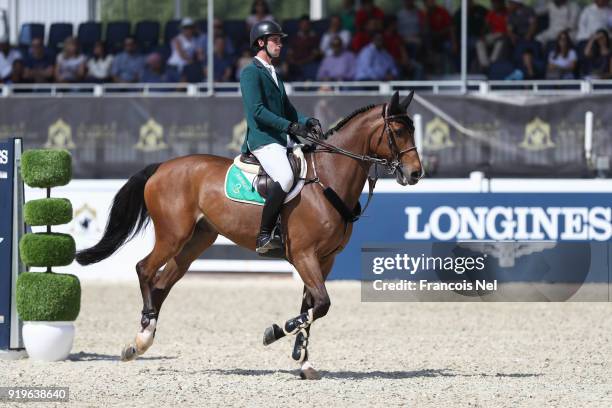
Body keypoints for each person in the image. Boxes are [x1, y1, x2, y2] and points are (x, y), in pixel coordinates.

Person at [240, 20, 320, 253]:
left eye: (280, 40)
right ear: (261, 42)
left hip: (282, 139)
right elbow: (257, 111)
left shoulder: (274, 72)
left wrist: (306, 121)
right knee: (285, 176)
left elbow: (288, 108)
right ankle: (264, 235)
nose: (280, 44)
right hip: (263, 140)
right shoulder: (250, 72)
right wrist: (290, 127)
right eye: (275, 40)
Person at [286, 15, 321, 81]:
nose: (305, 26)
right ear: (299, 25)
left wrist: (302, 62)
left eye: (306, 24)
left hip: (308, 65)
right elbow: (289, 53)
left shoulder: (314, 38)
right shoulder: (294, 38)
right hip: (295, 64)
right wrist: (292, 61)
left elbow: (314, 55)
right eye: (303, 24)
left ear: (310, 25)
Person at [477, 0, 508, 70]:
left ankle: (492, 63)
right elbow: (485, 26)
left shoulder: (507, 12)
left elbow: (510, 28)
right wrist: (482, 36)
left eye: (496, 3)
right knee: (479, 42)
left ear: (501, 3)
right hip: (494, 35)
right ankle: (485, 65)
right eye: (493, 3)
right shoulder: (491, 13)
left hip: (504, 35)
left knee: (499, 43)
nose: (494, 5)